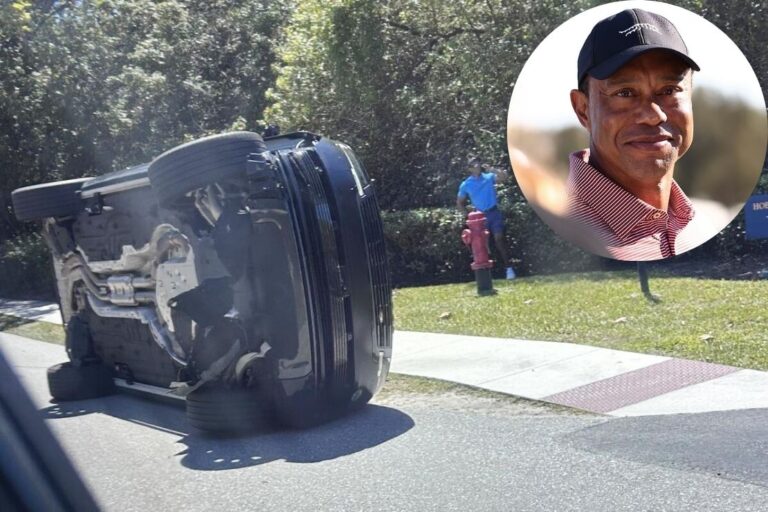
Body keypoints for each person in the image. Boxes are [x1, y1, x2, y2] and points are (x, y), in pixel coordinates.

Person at [567, 8, 710, 261]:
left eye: (669, 90)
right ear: (583, 110)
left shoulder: (701, 221)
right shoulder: (568, 226)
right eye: (625, 93)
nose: (654, 115)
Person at [456, 156, 516, 279]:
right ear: (469, 169)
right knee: (483, 245)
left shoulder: (488, 177)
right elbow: (459, 203)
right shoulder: (466, 184)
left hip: (494, 213)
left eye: (478, 163)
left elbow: (504, 177)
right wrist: (468, 216)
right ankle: (488, 273)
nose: (477, 166)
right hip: (480, 217)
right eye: (474, 165)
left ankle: (509, 268)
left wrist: (492, 169)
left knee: (499, 239)